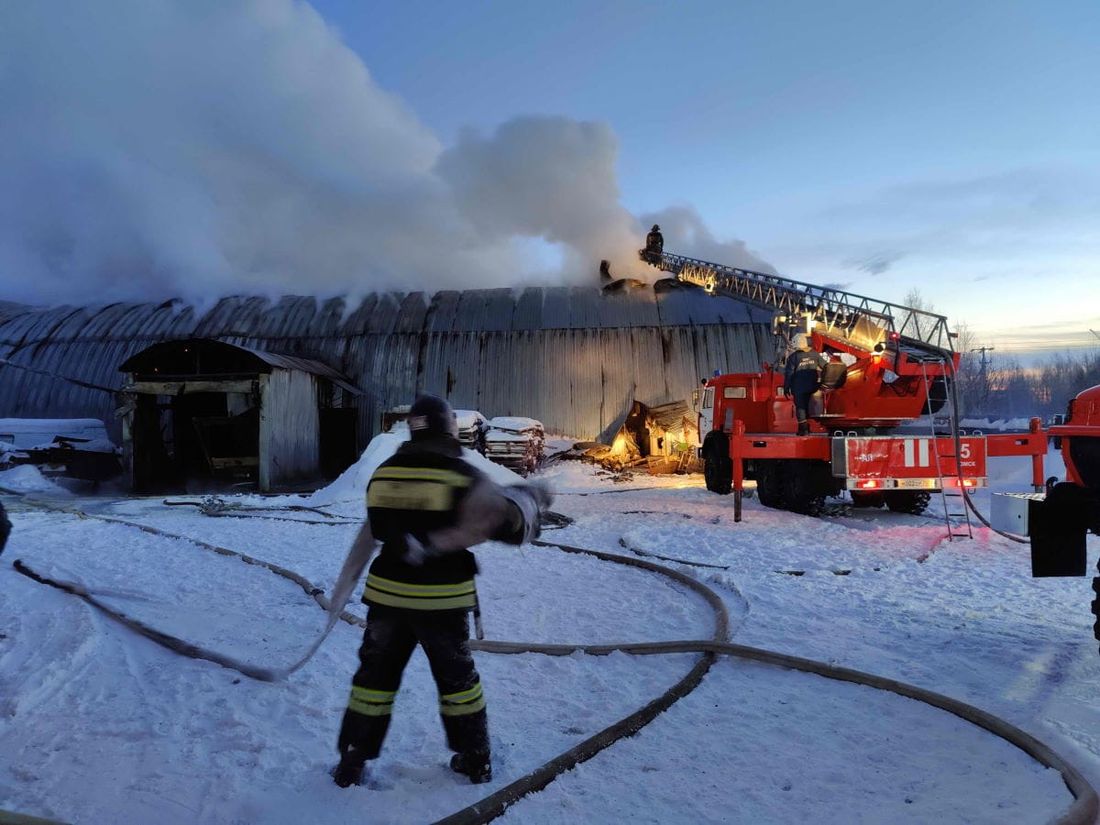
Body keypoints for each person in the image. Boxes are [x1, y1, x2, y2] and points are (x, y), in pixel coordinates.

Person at [333, 394, 550, 788]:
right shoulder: (461, 476)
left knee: (373, 682)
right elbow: (503, 525)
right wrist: (529, 502)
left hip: (387, 600)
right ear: (449, 428)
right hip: (442, 602)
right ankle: (475, 757)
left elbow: (378, 529)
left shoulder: (382, 474)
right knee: (457, 684)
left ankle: (352, 760)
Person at [783, 334, 827, 435]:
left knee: (800, 407)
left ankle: (803, 430)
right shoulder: (815, 354)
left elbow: (789, 374)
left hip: (799, 388)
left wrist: (786, 388)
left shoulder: (793, 357)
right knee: (809, 407)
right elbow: (826, 366)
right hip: (813, 386)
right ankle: (808, 427)